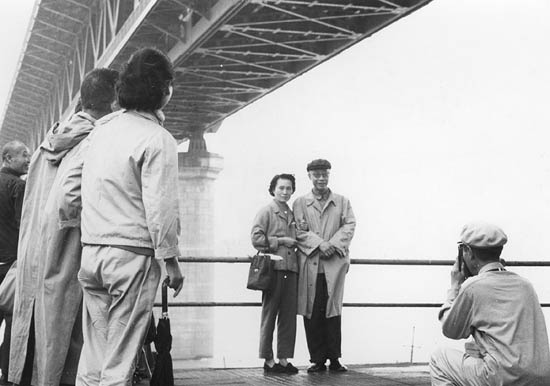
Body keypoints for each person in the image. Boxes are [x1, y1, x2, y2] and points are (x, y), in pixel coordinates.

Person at [76, 47, 184, 386]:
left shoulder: (100, 131)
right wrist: (172, 262)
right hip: (130, 257)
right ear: (162, 89)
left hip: (91, 253)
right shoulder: (157, 139)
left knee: (94, 356)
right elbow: (161, 209)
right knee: (120, 361)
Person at [8, 68, 119, 386]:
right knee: (79, 345)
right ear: (113, 103)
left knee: (45, 343)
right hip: (75, 255)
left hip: (39, 257)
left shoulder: (48, 144)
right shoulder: (96, 141)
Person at [430, 221, 550, 386]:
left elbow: (451, 330)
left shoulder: (472, 288)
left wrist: (455, 286)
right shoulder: (526, 286)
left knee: (439, 358)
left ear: (468, 252)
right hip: (540, 379)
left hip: (504, 378)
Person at [293, 159, 356, 373]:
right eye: (317, 175)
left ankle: (335, 358)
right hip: (311, 266)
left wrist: (333, 244)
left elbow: (350, 224)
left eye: (325, 174)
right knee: (312, 311)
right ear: (309, 176)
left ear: (329, 175)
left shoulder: (342, 201)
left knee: (333, 311)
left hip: (334, 265)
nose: (321, 178)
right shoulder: (300, 203)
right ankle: (317, 359)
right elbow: (299, 232)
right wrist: (321, 244)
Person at [251, 174, 300, 374]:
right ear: (273, 189)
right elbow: (256, 238)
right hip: (273, 270)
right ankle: (268, 360)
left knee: (289, 317)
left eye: (288, 188)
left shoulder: (292, 213)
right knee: (269, 315)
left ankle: (283, 359)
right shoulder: (266, 211)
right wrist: (281, 241)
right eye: (281, 188)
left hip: (291, 270)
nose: (285, 192)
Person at [0, 141, 30, 385]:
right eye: (23, 155)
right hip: (10, 266)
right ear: (8, 158)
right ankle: (8, 376)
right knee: (12, 319)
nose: (29, 159)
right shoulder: (18, 187)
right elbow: (25, 226)